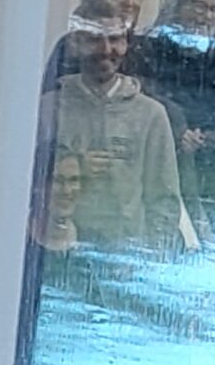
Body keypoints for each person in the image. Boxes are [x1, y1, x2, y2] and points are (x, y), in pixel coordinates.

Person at [49, 15, 184, 253]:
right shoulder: (48, 109)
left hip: (125, 259)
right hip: (57, 251)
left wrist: (149, 260)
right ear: (76, 43)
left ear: (126, 45)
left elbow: (164, 200)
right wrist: (76, 167)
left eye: (115, 39)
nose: (106, 50)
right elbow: (29, 189)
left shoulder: (152, 115)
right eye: (94, 39)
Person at [134, 0, 215, 228]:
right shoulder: (146, 51)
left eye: (214, 10)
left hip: (198, 178)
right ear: (177, 6)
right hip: (141, 170)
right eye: (198, 5)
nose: (205, 16)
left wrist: (201, 141)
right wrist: (175, 130)